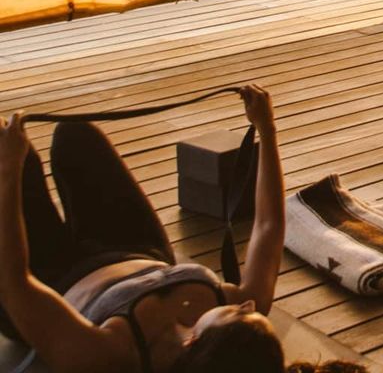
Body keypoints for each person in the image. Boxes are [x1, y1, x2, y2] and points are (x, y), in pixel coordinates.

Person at [0, 87, 286, 372]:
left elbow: (14, 282)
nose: (249, 304)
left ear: (195, 341)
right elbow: (268, 225)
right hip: (135, 248)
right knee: (75, 136)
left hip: (52, 275)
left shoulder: (113, 353)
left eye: (240, 313)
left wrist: (8, 169)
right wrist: (266, 127)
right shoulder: (237, 318)